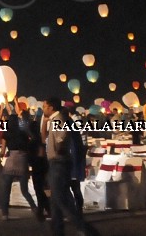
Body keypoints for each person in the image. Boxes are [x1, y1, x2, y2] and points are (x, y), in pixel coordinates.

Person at [42, 98, 85, 236]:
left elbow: (62, 136)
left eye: (44, 106)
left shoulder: (58, 120)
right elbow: (45, 139)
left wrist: (59, 151)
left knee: (63, 201)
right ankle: (58, 231)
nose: (43, 109)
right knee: (56, 202)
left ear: (51, 107)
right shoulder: (53, 120)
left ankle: (85, 229)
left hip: (58, 163)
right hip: (56, 162)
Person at [0, 109, 41, 221]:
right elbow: (32, 140)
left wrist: (0, 157)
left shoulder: (6, 134)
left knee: (6, 189)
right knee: (24, 190)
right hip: (23, 160)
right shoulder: (23, 133)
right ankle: (34, 208)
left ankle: (5, 214)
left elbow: (2, 151)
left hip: (11, 160)